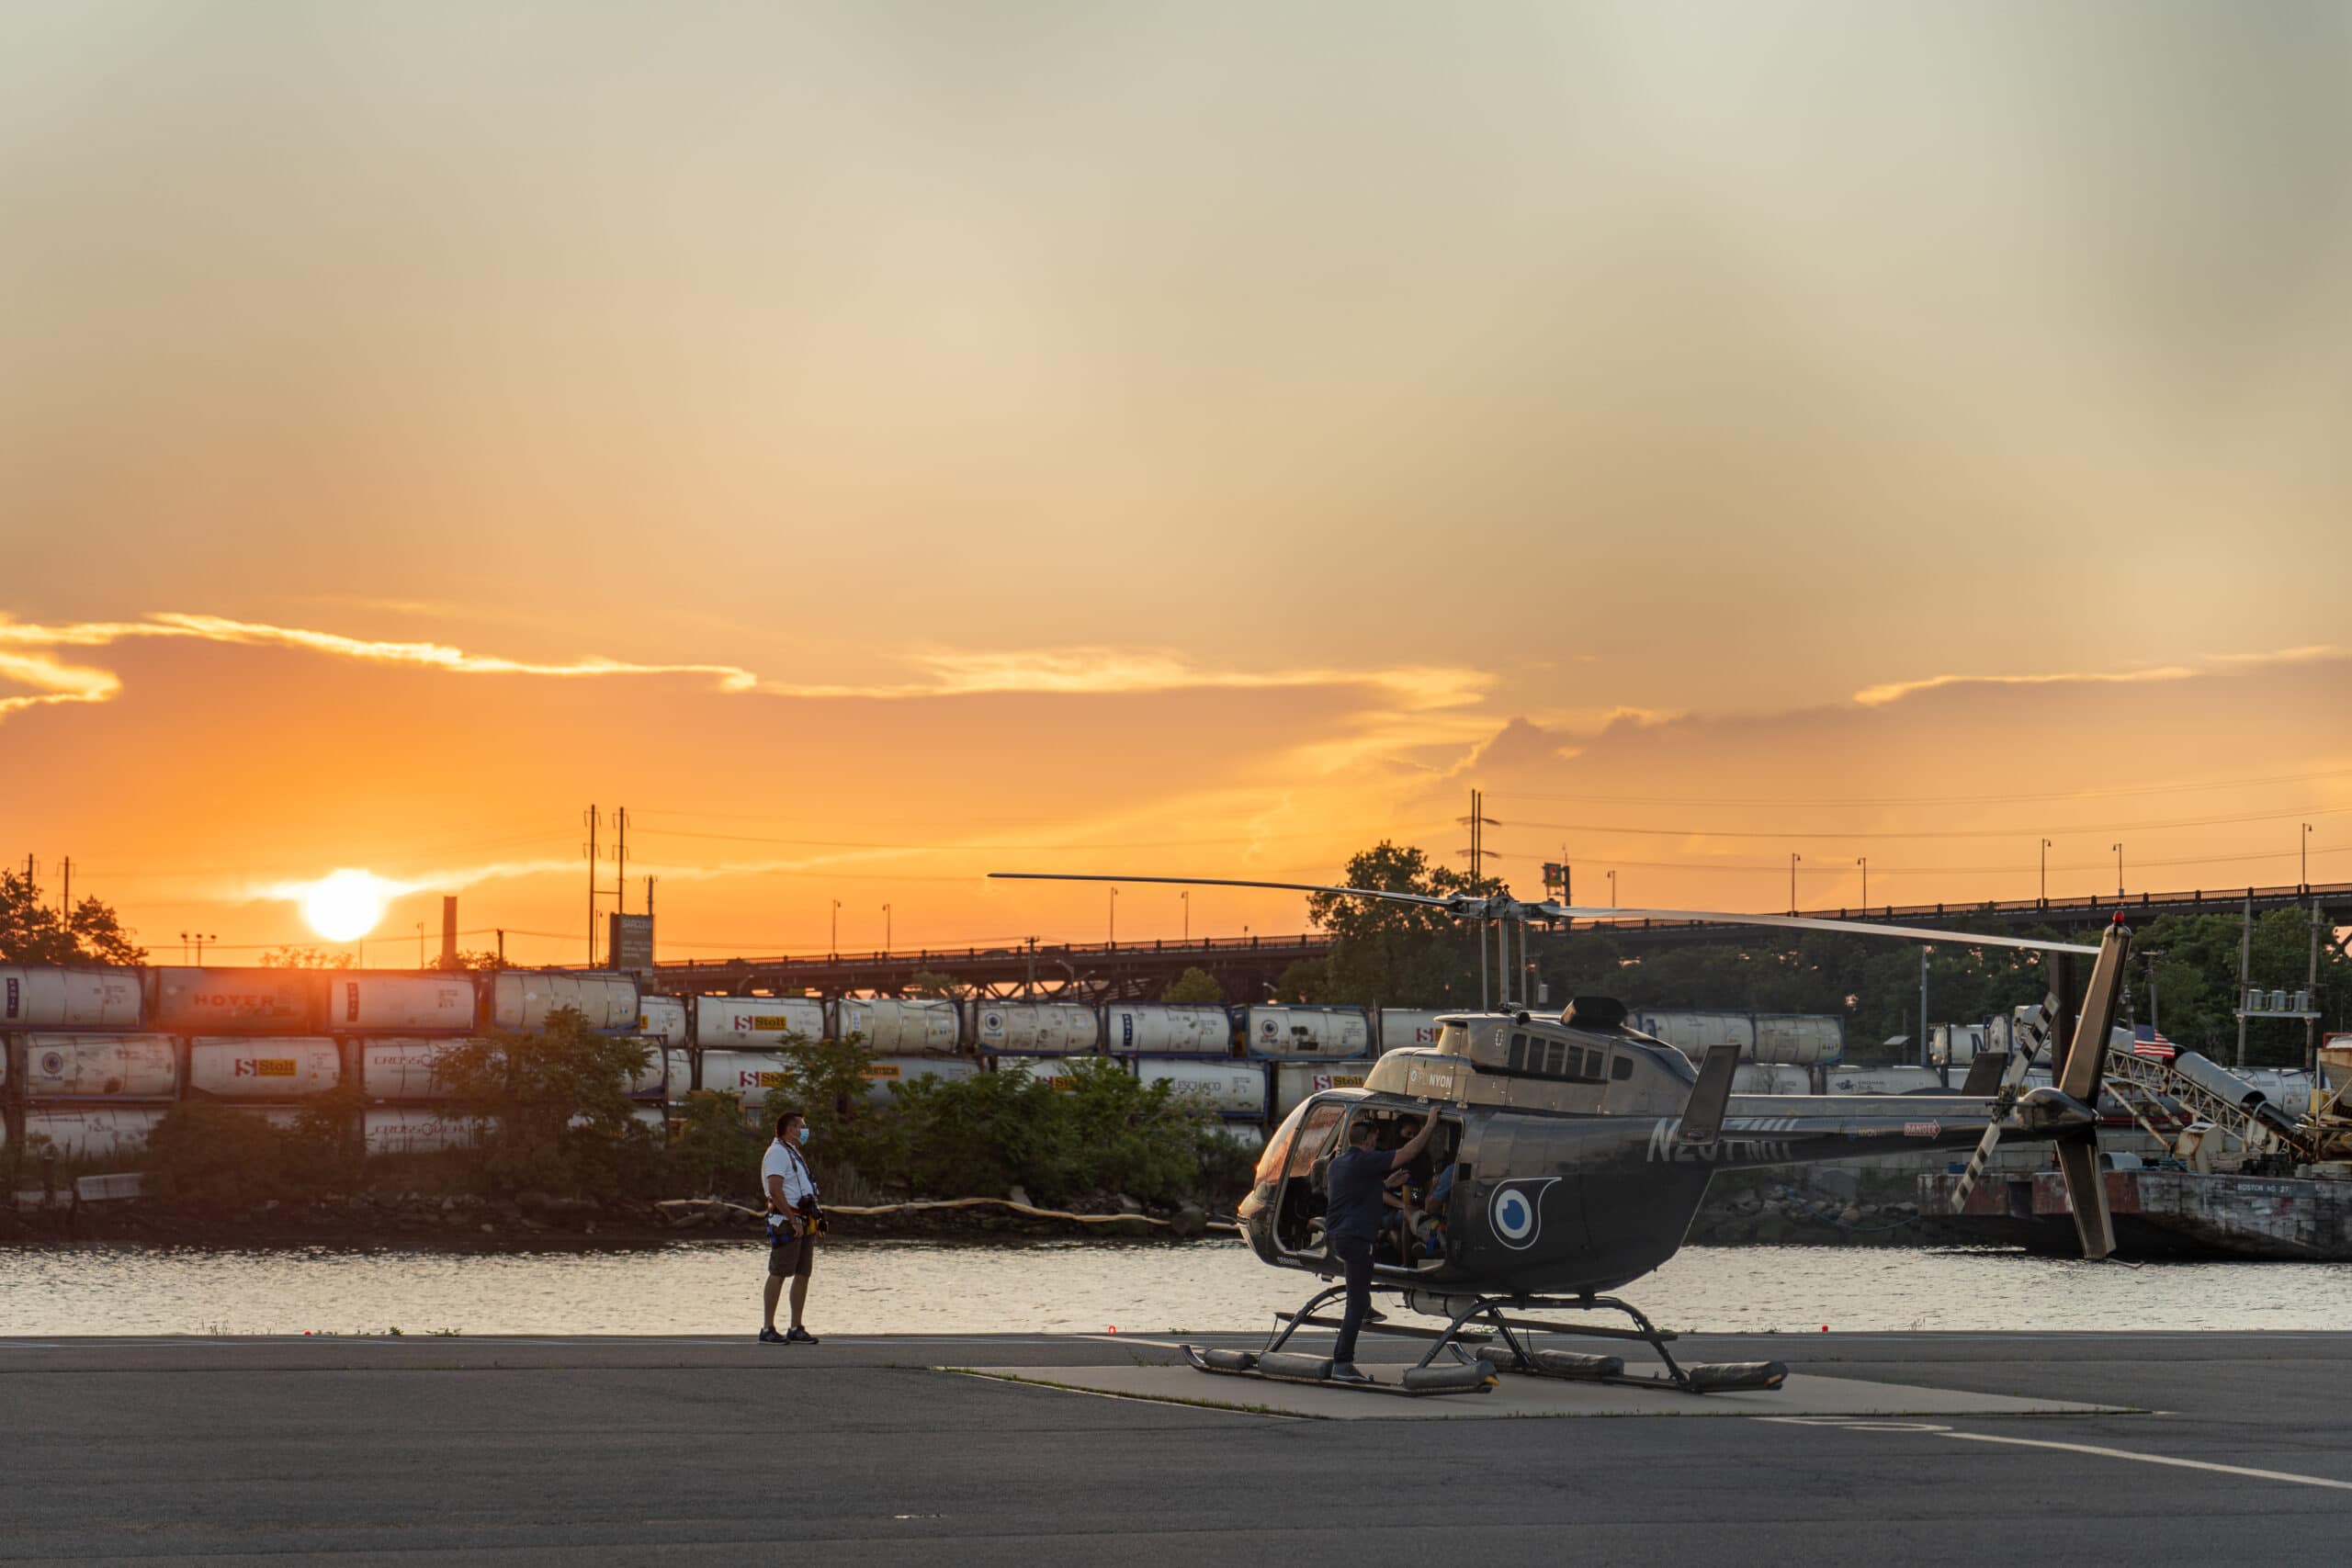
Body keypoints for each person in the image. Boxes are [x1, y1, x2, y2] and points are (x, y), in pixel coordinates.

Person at [1321, 1111, 1436, 1383]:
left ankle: (1362, 1312)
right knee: (1357, 1302)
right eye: (1375, 1139)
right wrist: (1430, 1124)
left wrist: (1385, 1184)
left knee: (1358, 1298)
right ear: (1368, 1142)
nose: (1377, 1143)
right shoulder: (1364, 1160)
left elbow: (1357, 1193)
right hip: (1356, 1238)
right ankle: (1343, 1363)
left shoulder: (1339, 1164)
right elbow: (1408, 1152)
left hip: (1338, 1238)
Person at [759, 1108, 822, 1345]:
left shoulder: (792, 1152)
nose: (804, 1131)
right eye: (800, 1126)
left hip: (804, 1221)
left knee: (803, 1273)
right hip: (787, 1221)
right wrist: (792, 1219)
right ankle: (767, 1327)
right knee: (779, 1272)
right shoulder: (777, 1153)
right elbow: (775, 1190)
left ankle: (796, 1326)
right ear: (790, 1129)